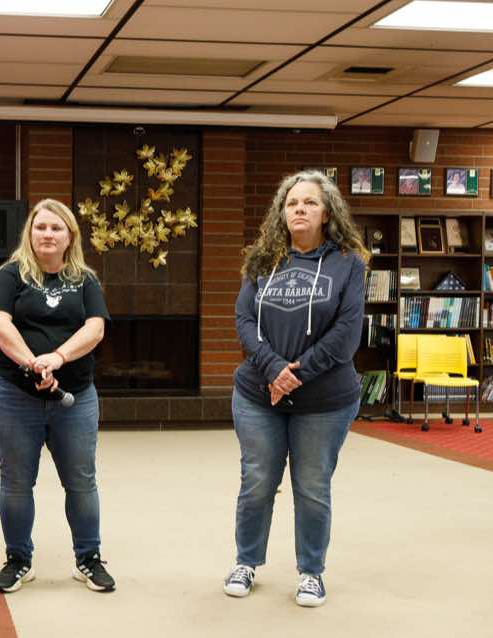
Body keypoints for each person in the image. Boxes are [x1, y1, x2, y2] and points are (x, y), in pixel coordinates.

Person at [224, 170, 368, 607]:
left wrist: (296, 374)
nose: (299, 209)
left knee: (311, 487)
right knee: (257, 481)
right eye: (292, 203)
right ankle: (246, 562)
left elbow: (347, 333)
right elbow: (244, 320)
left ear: (327, 213)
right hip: (258, 395)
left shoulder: (348, 263)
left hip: (324, 400)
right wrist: (273, 369)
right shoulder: (261, 260)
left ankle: (311, 572)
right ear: (281, 213)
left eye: (309, 202)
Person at [0, 198, 114, 594]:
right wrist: (33, 365)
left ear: (70, 236)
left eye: (56, 228)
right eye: (41, 227)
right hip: (13, 396)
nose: (48, 234)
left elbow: (95, 329)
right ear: (30, 233)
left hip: (75, 399)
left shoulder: (85, 280)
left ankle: (88, 558)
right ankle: (18, 560)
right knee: (16, 482)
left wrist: (57, 358)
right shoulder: (10, 274)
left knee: (81, 482)